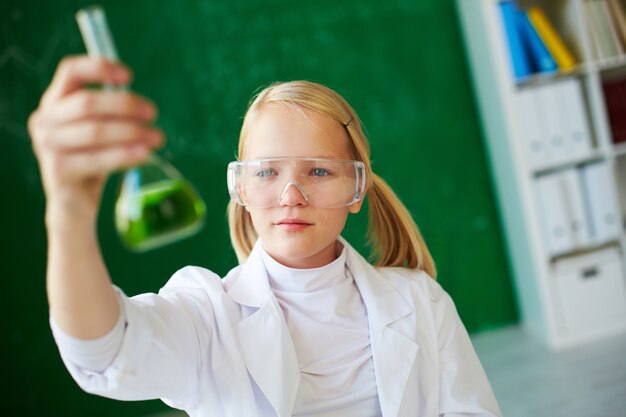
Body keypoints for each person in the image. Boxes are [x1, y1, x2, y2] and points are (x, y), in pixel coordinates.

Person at [29, 55, 502, 417]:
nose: (291, 195)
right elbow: (103, 351)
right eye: (268, 172)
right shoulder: (208, 314)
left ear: (357, 188)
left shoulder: (419, 301)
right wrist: (67, 209)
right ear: (242, 189)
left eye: (318, 170)